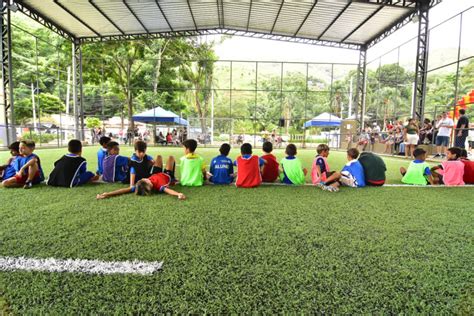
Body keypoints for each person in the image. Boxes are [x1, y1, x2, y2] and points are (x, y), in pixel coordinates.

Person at [96, 156, 185, 200]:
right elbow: (169, 191)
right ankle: (174, 179)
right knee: (171, 158)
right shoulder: (160, 186)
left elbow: (123, 190)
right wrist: (178, 194)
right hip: (166, 175)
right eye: (144, 179)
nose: (143, 178)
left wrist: (108, 194)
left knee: (158, 157)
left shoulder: (140, 185)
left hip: (155, 173)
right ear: (148, 183)